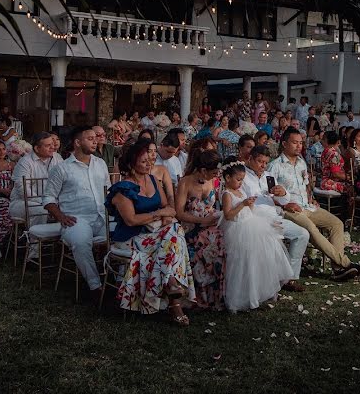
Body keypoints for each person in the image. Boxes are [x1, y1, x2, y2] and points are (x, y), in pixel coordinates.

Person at [106, 140, 193, 322]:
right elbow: (131, 220)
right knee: (174, 234)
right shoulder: (123, 190)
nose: (149, 164)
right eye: (144, 161)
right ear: (131, 164)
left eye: (150, 160)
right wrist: (160, 214)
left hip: (156, 235)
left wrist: (167, 215)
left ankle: (171, 288)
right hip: (131, 237)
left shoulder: (153, 180)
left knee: (174, 230)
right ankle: (173, 293)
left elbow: (166, 205)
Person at [268, 128, 360, 281]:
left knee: (336, 223)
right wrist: (286, 205)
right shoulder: (275, 166)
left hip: (307, 206)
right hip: (290, 210)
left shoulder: (301, 163)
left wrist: (311, 197)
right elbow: (269, 194)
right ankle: (344, 263)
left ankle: (338, 269)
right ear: (284, 144)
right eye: (295, 143)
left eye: (301, 143)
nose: (299, 146)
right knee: (311, 229)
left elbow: (306, 185)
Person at [42, 126, 111, 304]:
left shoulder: (100, 164)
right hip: (76, 218)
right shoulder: (62, 168)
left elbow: (108, 190)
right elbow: (48, 197)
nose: (95, 141)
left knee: (127, 233)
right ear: (78, 142)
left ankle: (120, 281)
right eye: (90, 138)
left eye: (96, 138)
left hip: (102, 216)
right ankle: (95, 286)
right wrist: (60, 216)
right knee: (81, 242)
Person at [219, 157, 292, 311]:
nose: (241, 183)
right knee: (243, 262)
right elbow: (228, 215)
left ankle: (259, 292)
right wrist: (243, 204)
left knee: (262, 254)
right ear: (227, 178)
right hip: (237, 228)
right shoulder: (227, 193)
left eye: (242, 180)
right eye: (238, 180)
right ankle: (241, 297)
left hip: (250, 222)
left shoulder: (240, 190)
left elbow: (250, 209)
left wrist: (251, 206)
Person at [241, 145, 309, 292]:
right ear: (250, 158)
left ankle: (289, 278)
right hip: (254, 221)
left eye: (266, 162)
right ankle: (270, 280)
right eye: (260, 161)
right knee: (273, 239)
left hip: (274, 217)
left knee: (302, 234)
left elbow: (284, 201)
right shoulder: (242, 176)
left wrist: (283, 193)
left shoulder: (268, 176)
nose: (263, 166)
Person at [175, 149, 226, 310]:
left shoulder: (211, 181)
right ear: (203, 170)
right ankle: (201, 295)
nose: (215, 176)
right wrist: (201, 220)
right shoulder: (186, 182)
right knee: (211, 245)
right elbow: (179, 213)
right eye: (213, 173)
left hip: (210, 224)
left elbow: (212, 206)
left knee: (226, 241)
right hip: (191, 227)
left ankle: (218, 295)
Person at [319, 131, 354, 218]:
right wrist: (348, 177)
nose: (321, 141)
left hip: (325, 180)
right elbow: (336, 174)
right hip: (330, 181)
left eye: (323, 139)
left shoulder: (326, 151)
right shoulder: (334, 154)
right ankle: (349, 216)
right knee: (352, 189)